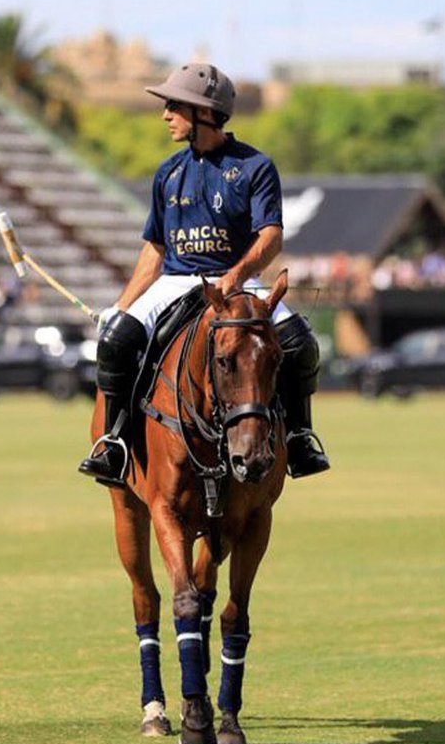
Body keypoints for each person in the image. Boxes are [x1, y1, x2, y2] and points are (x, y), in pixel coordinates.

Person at [79, 62, 330, 487]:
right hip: (177, 281)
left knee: (300, 343)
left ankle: (301, 437)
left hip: (238, 281)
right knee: (116, 340)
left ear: (204, 112)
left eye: (174, 106)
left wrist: (235, 275)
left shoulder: (254, 166)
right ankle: (115, 443)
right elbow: (155, 250)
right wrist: (121, 307)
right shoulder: (168, 173)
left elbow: (270, 238)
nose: (165, 115)